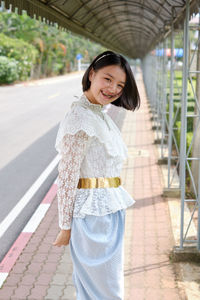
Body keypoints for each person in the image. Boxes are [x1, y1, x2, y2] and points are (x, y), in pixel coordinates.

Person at [53, 50, 140, 300]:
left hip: (109, 212)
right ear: (92, 74)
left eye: (120, 84)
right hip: (92, 218)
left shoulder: (99, 114)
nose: (113, 88)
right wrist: (65, 226)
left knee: (103, 290)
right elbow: (67, 175)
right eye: (107, 79)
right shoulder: (80, 118)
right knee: (104, 293)